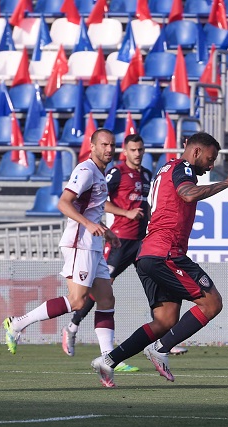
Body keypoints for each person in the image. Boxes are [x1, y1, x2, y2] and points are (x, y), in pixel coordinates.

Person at [90, 132, 228, 387]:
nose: (211, 164)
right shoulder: (183, 168)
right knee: (212, 303)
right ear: (195, 152)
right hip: (166, 253)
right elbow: (188, 194)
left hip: (148, 253)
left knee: (165, 320)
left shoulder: (165, 168)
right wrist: (227, 183)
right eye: (210, 158)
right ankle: (160, 350)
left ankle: (108, 361)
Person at [3, 129, 122, 357]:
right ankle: (17, 323)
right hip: (80, 244)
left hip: (93, 244)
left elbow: (91, 210)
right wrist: (88, 225)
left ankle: (109, 358)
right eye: (104, 145)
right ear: (93, 145)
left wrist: (105, 232)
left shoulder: (99, 173)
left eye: (112, 145)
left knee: (106, 297)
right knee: (78, 301)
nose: (109, 149)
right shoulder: (86, 170)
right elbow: (64, 203)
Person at [60, 134, 152, 372]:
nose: (138, 153)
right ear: (126, 151)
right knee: (98, 291)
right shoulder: (114, 173)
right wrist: (125, 213)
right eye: (133, 149)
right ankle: (73, 325)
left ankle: (164, 336)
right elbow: (101, 203)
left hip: (141, 241)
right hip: (119, 240)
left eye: (141, 149)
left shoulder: (146, 175)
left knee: (155, 280)